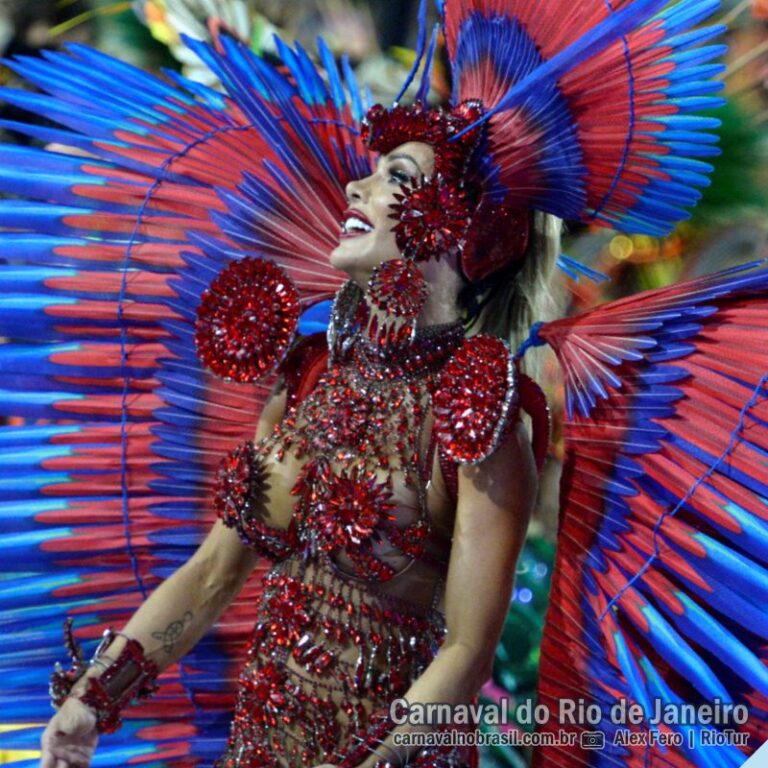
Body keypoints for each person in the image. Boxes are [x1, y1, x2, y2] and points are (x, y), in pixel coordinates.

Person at [2, 1, 767, 767]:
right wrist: (93, 697)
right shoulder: (306, 380)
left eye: (392, 175)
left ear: (454, 226)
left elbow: (466, 656)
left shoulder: (477, 417)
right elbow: (212, 571)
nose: (355, 190)